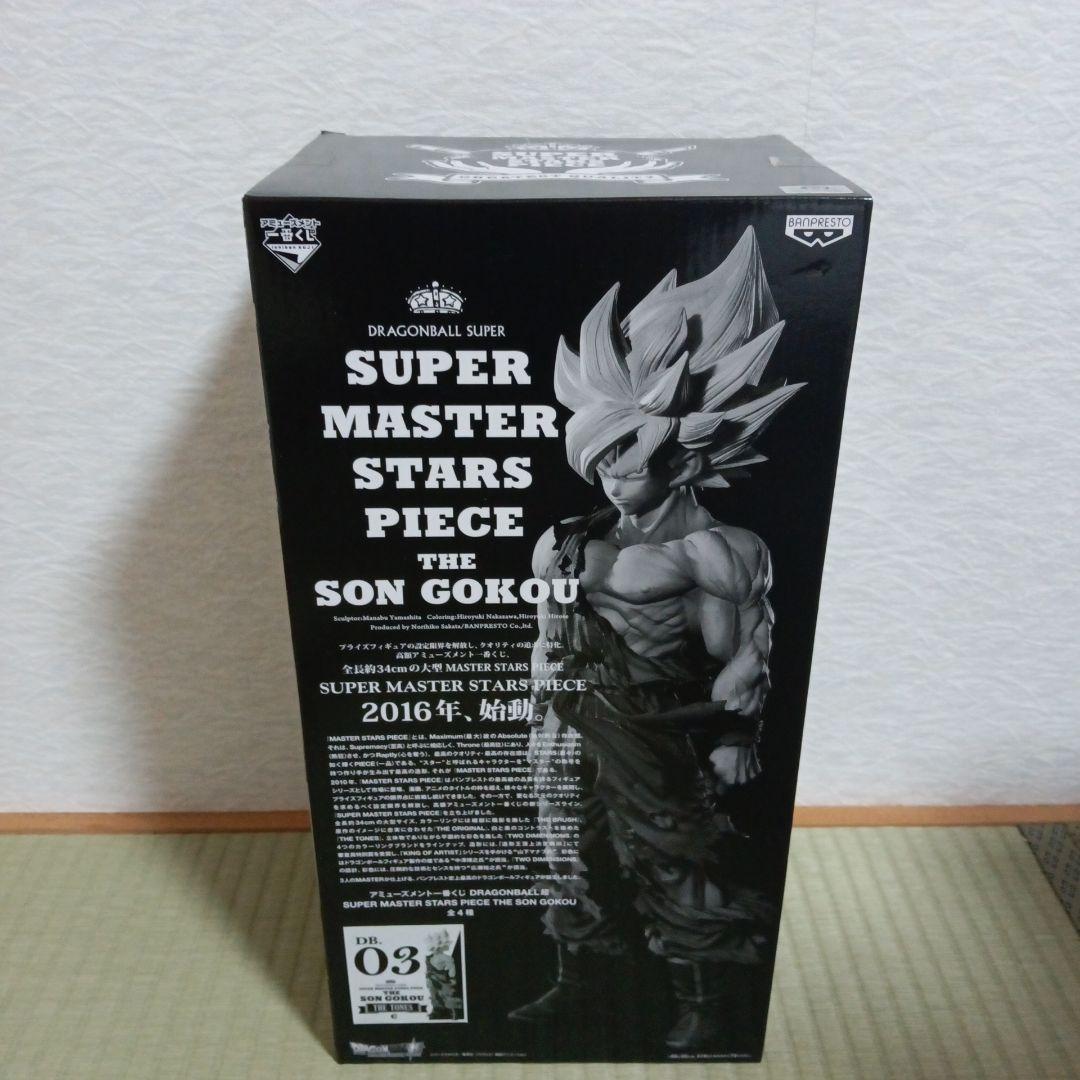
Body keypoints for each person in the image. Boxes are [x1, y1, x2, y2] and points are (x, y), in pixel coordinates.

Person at [508, 228, 802, 1052]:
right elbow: (547, 637)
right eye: (601, 462)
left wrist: (738, 736)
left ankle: (704, 999)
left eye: (628, 463)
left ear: (682, 459)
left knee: (677, 855)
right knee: (566, 850)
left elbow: (748, 649)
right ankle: (581, 982)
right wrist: (538, 718)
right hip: (570, 720)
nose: (611, 477)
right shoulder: (566, 541)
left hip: (657, 723)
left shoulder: (716, 551)